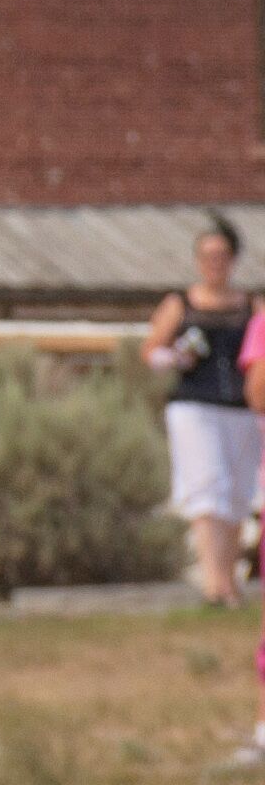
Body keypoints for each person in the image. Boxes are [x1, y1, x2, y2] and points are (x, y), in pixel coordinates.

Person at [148, 219, 255, 604]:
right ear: (197, 260)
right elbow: (152, 352)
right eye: (208, 256)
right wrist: (176, 356)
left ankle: (230, 581)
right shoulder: (182, 303)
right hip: (195, 406)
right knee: (207, 488)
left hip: (241, 409)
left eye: (221, 255)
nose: (215, 263)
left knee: (238, 492)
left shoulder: (250, 305)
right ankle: (214, 584)